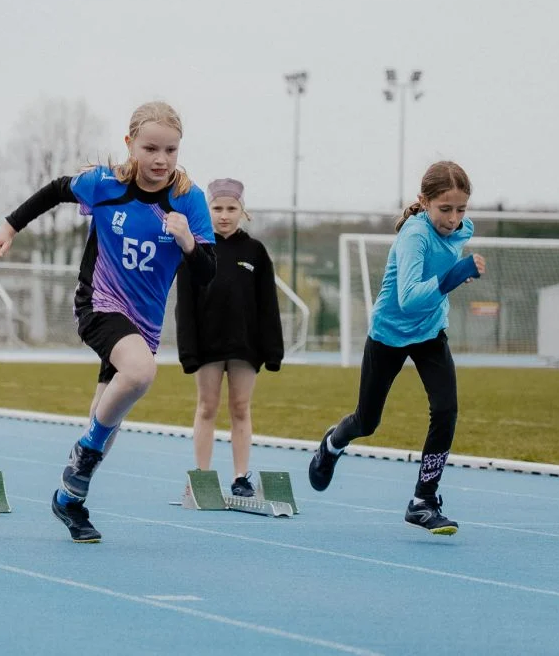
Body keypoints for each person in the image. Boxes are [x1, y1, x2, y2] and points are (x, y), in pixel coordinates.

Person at [0, 101, 216, 543]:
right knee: (141, 373)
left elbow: (207, 274)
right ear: (130, 145)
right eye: (150, 148)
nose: (160, 160)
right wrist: (9, 228)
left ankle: (69, 498)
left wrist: (188, 242)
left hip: (144, 323)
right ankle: (82, 457)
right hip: (99, 305)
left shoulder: (189, 200)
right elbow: (54, 190)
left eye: (170, 150)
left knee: (108, 418)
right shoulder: (104, 185)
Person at [307, 161, 485, 535]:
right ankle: (333, 442)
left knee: (446, 410)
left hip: (431, 332)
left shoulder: (461, 230)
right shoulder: (414, 236)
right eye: (445, 209)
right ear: (424, 202)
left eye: (461, 209)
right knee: (367, 422)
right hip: (389, 333)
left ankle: (423, 500)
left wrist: (452, 276)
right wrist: (454, 276)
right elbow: (407, 298)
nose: (453, 220)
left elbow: (437, 278)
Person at [174, 178, 283, 496]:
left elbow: (268, 305)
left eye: (231, 208)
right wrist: (188, 351)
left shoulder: (256, 252)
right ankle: (202, 477)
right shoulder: (194, 249)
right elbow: (185, 305)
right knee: (207, 407)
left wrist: (273, 350)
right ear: (207, 210)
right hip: (207, 346)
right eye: (217, 208)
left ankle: (240, 477)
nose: (224, 215)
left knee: (240, 407)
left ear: (242, 211)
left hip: (244, 347)